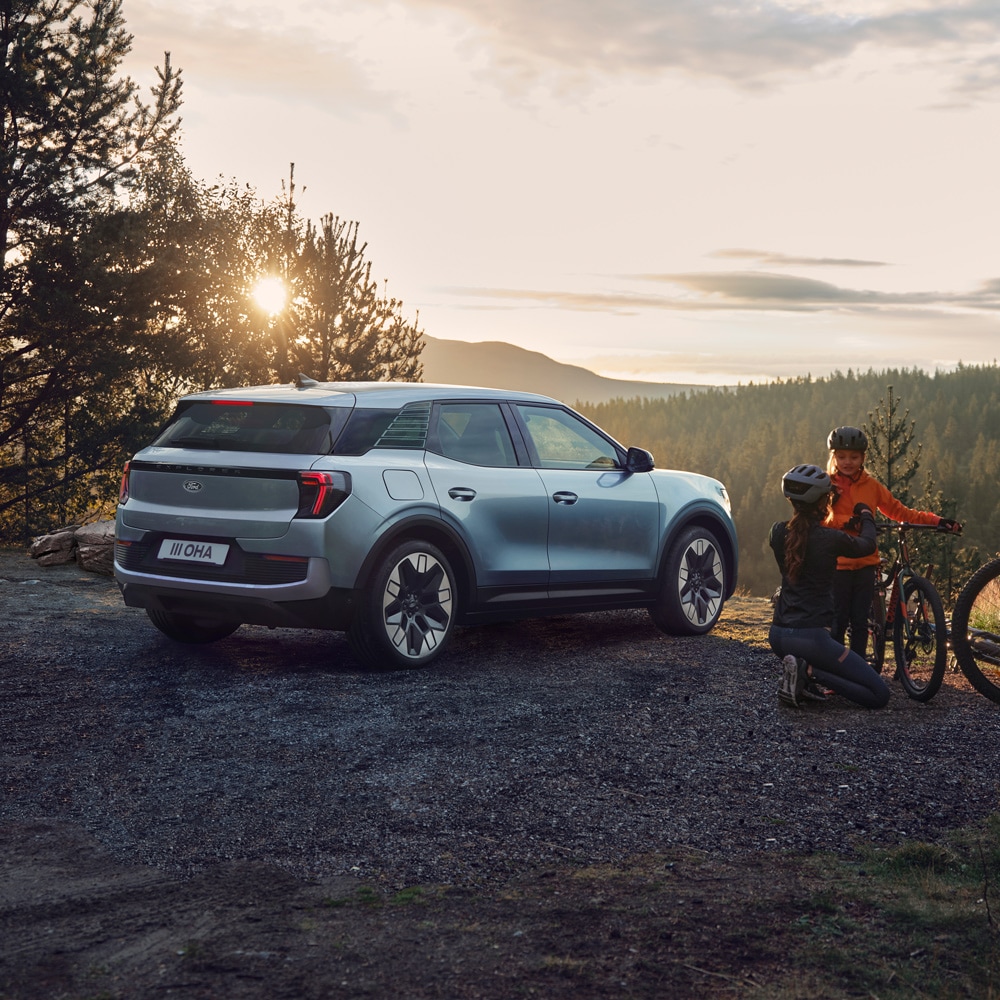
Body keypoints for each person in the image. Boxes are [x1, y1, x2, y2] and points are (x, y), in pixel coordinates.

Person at [825, 426, 961, 659]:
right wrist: (847, 521)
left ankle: (856, 673)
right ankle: (834, 673)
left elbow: (901, 512)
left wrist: (936, 520)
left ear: (863, 458)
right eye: (841, 456)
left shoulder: (872, 487)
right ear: (833, 457)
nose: (847, 462)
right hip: (839, 565)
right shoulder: (826, 485)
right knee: (837, 622)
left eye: (854, 457)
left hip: (866, 563)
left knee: (860, 623)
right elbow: (818, 520)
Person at [769, 464, 891, 709]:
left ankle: (801, 673)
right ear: (823, 501)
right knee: (879, 694)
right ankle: (809, 670)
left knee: (835, 663)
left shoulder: (778, 532)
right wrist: (866, 515)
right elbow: (867, 545)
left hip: (779, 636)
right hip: (812, 640)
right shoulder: (829, 539)